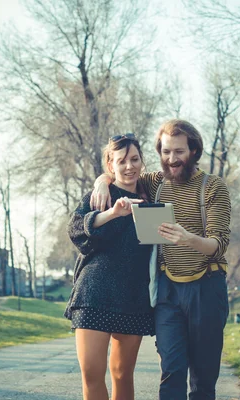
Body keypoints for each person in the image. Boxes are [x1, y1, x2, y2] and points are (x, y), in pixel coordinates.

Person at [90, 119, 231, 400]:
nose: (171, 159)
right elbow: (123, 173)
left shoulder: (213, 187)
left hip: (206, 286)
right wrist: (101, 182)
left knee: (203, 377)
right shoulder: (155, 182)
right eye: (166, 152)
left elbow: (219, 244)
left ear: (194, 151)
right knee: (171, 369)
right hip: (168, 291)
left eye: (178, 152)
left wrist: (187, 238)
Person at [64, 133, 155, 400]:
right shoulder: (99, 196)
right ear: (110, 164)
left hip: (133, 296)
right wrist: (112, 211)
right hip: (94, 294)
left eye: (135, 159)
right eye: (122, 160)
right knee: (92, 373)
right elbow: (75, 229)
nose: (130, 166)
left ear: (142, 161)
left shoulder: (151, 196)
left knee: (122, 374)